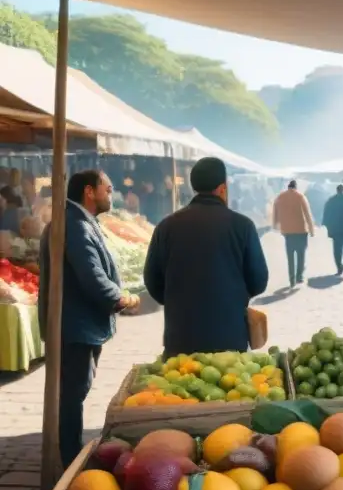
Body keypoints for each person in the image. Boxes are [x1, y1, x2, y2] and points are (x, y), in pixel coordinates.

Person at [39, 170, 139, 468]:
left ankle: (69, 452)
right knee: (72, 394)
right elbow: (92, 276)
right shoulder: (75, 225)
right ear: (89, 192)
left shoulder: (78, 221)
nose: (112, 194)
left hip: (77, 324)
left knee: (75, 391)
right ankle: (69, 458)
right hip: (75, 326)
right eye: (108, 189)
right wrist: (120, 298)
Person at [144, 157, 269, 356]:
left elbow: (152, 281)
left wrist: (180, 300)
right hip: (229, 338)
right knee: (230, 386)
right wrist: (232, 298)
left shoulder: (166, 226)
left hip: (181, 338)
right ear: (222, 188)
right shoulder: (242, 226)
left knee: (179, 386)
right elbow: (259, 281)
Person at [273, 180, 315, 287]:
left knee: (290, 256)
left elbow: (275, 212)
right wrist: (311, 229)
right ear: (296, 187)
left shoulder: (280, 197)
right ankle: (299, 276)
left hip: (287, 231)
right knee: (301, 254)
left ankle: (291, 279)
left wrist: (276, 225)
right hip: (301, 230)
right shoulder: (300, 197)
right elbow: (307, 214)